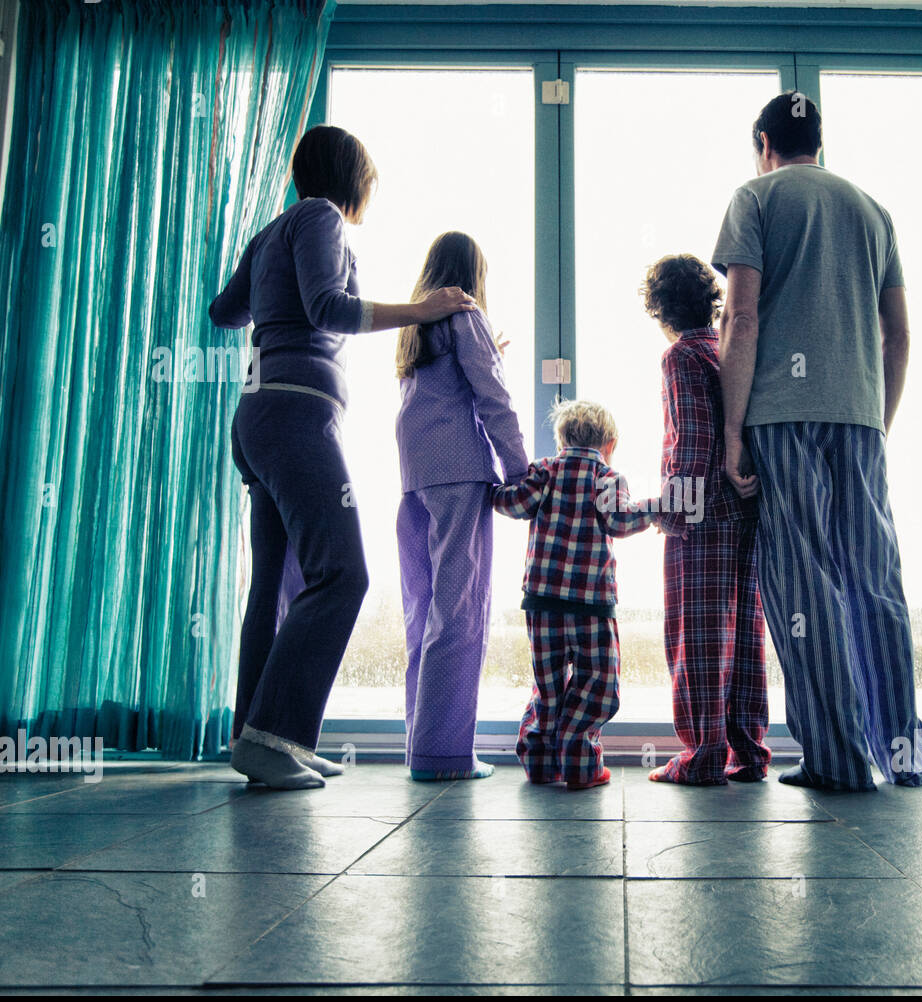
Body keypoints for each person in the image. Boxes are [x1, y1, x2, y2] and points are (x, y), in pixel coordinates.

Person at [209, 124, 475, 790]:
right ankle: (272, 738)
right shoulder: (321, 217)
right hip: (298, 417)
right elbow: (329, 308)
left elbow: (223, 312)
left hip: (258, 417)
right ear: (350, 176)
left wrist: (270, 306)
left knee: (274, 583)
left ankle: (266, 736)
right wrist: (423, 309)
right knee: (342, 574)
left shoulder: (270, 232)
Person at [711, 92, 922, 791]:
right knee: (876, 578)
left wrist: (729, 428)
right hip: (858, 415)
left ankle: (838, 760)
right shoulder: (873, 212)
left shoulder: (754, 198)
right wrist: (878, 418)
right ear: (820, 143)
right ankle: (903, 752)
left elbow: (741, 319)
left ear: (763, 141)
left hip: (782, 412)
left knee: (802, 580)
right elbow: (898, 334)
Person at [395, 232, 529, 781]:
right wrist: (521, 471)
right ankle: (444, 756)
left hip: (415, 481)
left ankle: (421, 747)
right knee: (459, 615)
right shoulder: (463, 312)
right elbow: (492, 395)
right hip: (458, 477)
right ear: (473, 273)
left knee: (423, 615)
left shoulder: (413, 326)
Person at [639, 254, 770, 785]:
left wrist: (674, 512)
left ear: (661, 309)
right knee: (743, 635)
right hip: (744, 513)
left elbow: (689, 440)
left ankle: (702, 756)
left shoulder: (680, 358)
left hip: (703, 517)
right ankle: (749, 753)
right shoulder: (726, 353)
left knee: (696, 635)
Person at [490, 401, 656, 790]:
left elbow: (515, 503)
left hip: (542, 602)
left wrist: (491, 491)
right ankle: (581, 765)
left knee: (547, 685)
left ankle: (540, 763)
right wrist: (656, 509)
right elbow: (620, 521)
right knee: (597, 681)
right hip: (592, 605)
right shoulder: (608, 478)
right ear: (610, 444)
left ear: (561, 439)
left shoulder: (544, 471)